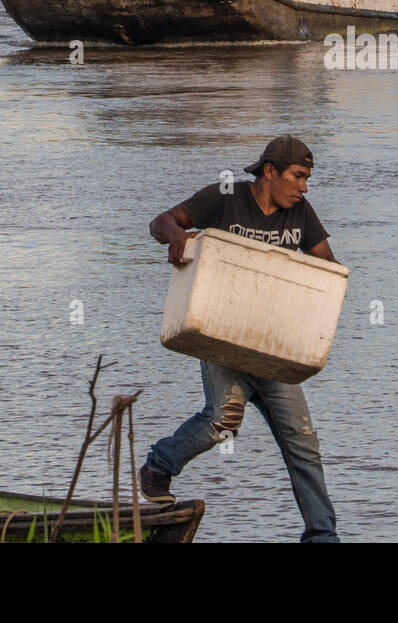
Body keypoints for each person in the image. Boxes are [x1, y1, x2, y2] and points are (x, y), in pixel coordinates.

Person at [142, 136, 341, 543]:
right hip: (224, 340)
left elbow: (328, 267)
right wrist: (177, 237)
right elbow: (161, 222)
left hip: (275, 348)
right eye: (298, 176)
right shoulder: (225, 196)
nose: (304, 186)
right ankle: (159, 465)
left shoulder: (301, 214)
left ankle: (322, 536)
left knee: (303, 444)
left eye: (306, 178)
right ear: (270, 171)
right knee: (221, 424)